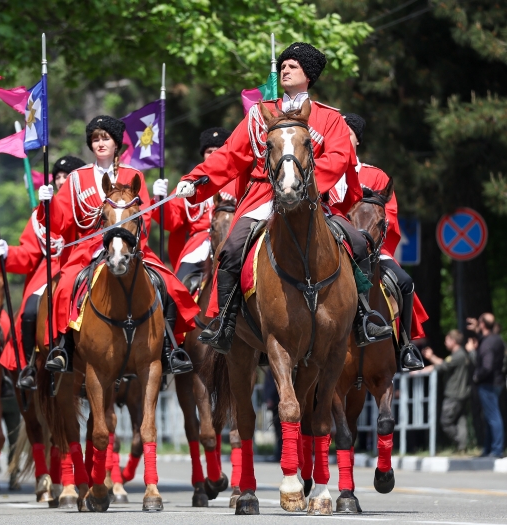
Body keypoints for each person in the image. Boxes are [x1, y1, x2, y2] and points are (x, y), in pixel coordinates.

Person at [174, 42, 386, 355]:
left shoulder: (330, 118)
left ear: (308, 75)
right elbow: (231, 156)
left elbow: (340, 157)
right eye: (283, 64)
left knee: (356, 241)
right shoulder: (260, 114)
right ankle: (226, 322)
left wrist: (303, 182)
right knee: (231, 249)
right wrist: (195, 180)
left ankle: (363, 315)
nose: (285, 69)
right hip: (264, 196)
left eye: (293, 65)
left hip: (313, 198)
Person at [37, 116, 199, 375]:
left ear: (116, 143)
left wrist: (130, 242)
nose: (100, 143)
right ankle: (64, 348)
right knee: (65, 285)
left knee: (169, 285)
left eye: (105, 138)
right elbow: (63, 221)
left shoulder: (133, 175)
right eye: (95, 139)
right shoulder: (77, 179)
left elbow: (144, 216)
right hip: (89, 247)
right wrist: (48, 203)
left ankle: (169, 348)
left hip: (130, 245)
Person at [340, 113, 426, 370]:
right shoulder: (323, 172)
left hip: (371, 249)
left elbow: (388, 215)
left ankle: (405, 346)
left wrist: (370, 243)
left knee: (406, 282)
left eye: (347, 133)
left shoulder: (375, 176)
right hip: (333, 248)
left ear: (358, 140)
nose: (342, 138)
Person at [0, 156, 83, 390]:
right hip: (50, 272)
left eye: (68, 176)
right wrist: (7, 254)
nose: (62, 181)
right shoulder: (41, 214)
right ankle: (30, 365)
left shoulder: (88, 208)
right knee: (30, 311)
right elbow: (29, 254)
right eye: (58, 177)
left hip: (83, 265)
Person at [152, 127, 238, 284]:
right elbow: (171, 221)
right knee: (176, 289)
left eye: (219, 150)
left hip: (233, 240)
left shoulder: (239, 180)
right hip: (200, 245)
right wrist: (159, 200)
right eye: (209, 151)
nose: (214, 154)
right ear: (203, 155)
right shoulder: (191, 183)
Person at [422, 330, 472, 452]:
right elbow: (445, 364)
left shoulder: (458, 355)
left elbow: (443, 366)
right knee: (461, 420)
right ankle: (462, 447)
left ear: (453, 341)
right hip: (462, 393)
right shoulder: (460, 355)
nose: (445, 343)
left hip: (454, 394)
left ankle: (459, 442)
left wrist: (429, 360)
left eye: (447, 340)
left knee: (445, 421)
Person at [469, 313, 505, 457]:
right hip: (497, 382)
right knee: (490, 416)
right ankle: (489, 449)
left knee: (493, 416)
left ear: (483, 324)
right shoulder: (496, 339)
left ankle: (496, 449)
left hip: (488, 384)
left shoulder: (488, 343)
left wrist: (477, 376)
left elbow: (487, 366)